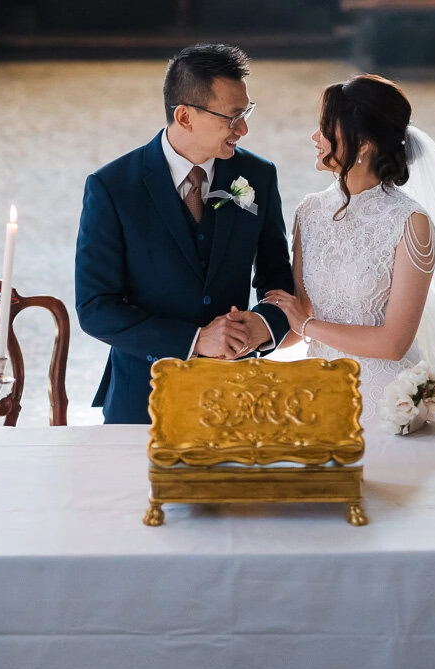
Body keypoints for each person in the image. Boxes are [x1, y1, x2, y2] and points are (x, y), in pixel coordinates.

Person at [265, 74, 435, 430]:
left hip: (388, 405)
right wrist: (247, 337)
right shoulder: (309, 213)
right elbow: (301, 323)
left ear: (362, 143)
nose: (314, 138)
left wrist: (308, 324)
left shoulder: (410, 222)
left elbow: (393, 343)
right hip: (319, 396)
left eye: (325, 128)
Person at [74, 43, 294, 425]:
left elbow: (278, 279)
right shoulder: (112, 186)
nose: (243, 129)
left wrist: (264, 326)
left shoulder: (258, 176)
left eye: (246, 112)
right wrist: (193, 340)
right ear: (185, 116)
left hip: (234, 395)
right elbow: (96, 309)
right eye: (233, 117)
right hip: (142, 399)